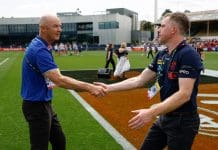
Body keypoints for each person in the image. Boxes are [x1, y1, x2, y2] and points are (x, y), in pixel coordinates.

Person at [95, 12, 203, 150]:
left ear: (173, 29)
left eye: (162, 26)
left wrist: (152, 112)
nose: (158, 30)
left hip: (183, 121)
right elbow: (139, 80)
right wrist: (109, 88)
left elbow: (184, 94)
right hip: (165, 116)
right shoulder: (162, 54)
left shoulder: (188, 54)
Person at [21, 14, 106, 150]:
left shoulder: (40, 44)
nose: (60, 29)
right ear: (43, 29)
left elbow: (53, 76)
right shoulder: (40, 50)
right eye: (55, 26)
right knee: (39, 147)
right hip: (37, 106)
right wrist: (89, 87)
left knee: (59, 142)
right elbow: (59, 80)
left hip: (43, 103)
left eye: (60, 26)